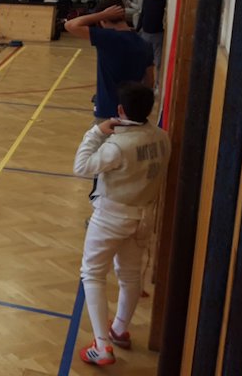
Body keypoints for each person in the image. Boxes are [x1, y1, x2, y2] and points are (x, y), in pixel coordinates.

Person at [73, 82, 169, 366]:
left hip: (111, 217)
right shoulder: (162, 137)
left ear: (120, 110)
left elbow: (81, 166)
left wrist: (96, 132)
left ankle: (102, 346)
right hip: (143, 217)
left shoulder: (117, 146)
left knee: (92, 274)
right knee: (129, 275)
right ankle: (119, 328)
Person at [65, 0, 155, 201]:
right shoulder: (144, 44)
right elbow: (149, 81)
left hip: (107, 114)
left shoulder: (108, 38)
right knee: (123, 161)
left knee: (101, 163)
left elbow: (71, 25)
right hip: (132, 114)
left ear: (104, 20)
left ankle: (99, 203)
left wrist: (100, 15)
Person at [137, 0, 167, 71]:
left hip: (158, 34)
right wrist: (138, 28)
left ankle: (158, 79)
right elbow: (142, 14)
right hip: (145, 33)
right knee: (144, 59)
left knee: (158, 61)